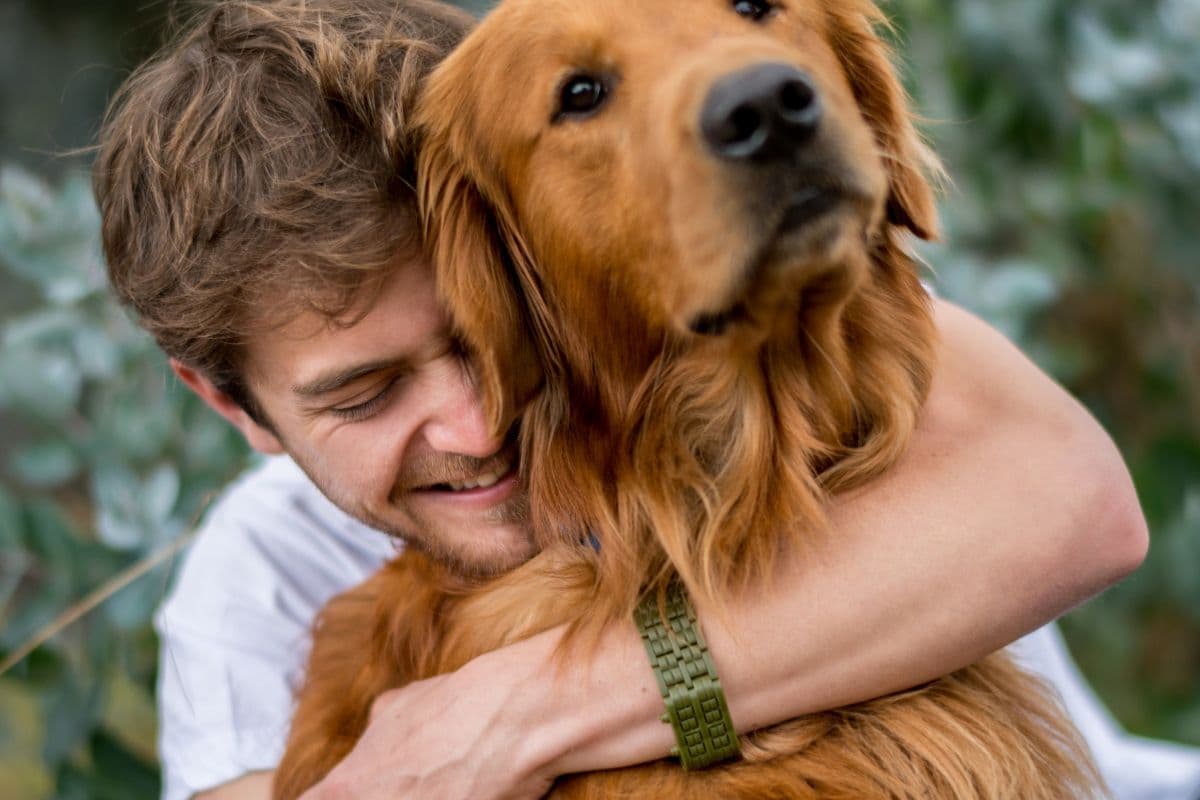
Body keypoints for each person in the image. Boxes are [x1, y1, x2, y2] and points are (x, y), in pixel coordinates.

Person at [91, 1, 1199, 798]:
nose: (482, 431)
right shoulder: (258, 587)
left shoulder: (798, 335)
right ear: (231, 406)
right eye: (366, 394)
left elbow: (1082, 501)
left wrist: (530, 704)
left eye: (489, 337)